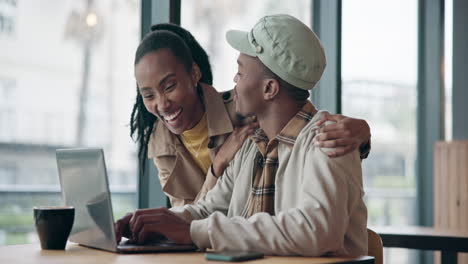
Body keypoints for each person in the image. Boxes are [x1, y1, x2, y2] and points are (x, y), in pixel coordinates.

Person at [117, 14, 367, 257]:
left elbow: (316, 231)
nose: (234, 81)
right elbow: (207, 209)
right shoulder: (249, 142)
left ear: (269, 88)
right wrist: (153, 221)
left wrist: (195, 231)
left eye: (241, 72)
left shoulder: (328, 139)